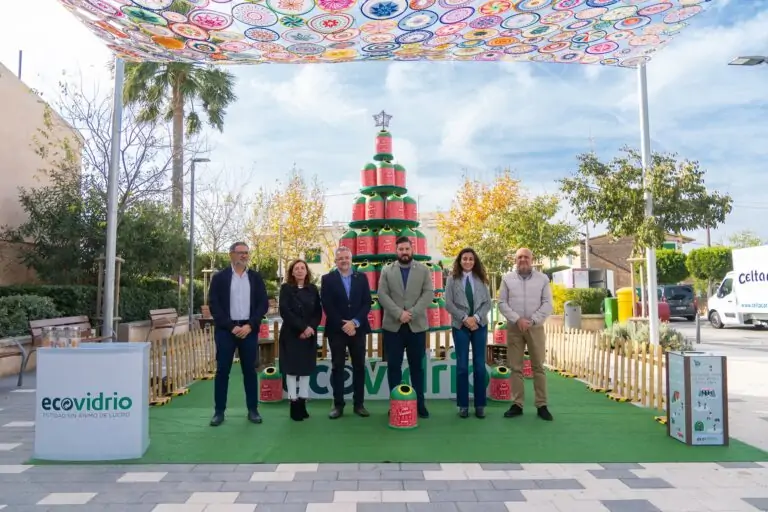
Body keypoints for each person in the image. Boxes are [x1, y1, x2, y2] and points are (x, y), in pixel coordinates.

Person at [207, 242, 269, 427]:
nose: (244, 256)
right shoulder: (220, 278)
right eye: (240, 253)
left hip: (248, 331)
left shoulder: (255, 278)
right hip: (227, 331)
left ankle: (253, 410)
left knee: (250, 371)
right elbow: (214, 305)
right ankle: (219, 412)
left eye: (246, 253)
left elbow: (262, 304)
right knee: (222, 371)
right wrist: (231, 326)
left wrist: (250, 325)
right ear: (231, 255)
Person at [377, 236, 434, 418]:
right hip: (393, 327)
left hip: (416, 326)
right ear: (396, 251)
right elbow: (382, 294)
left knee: (417, 367)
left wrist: (411, 313)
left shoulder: (424, 270)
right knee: (394, 366)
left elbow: (428, 294)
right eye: (401, 249)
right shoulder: (387, 270)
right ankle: (395, 404)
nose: (404, 252)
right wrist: (398, 314)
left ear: (412, 250)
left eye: (407, 249)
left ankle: (419, 405)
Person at [498, 247, 554, 421]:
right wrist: (517, 319)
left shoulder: (542, 279)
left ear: (532, 259)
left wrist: (533, 320)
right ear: (515, 260)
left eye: (526, 257)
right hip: (515, 327)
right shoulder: (507, 279)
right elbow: (502, 303)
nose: (523, 260)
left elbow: (547, 304)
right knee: (515, 367)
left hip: (535, 327)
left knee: (538, 367)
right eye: (519, 257)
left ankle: (542, 405)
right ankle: (517, 404)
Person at [320, 246, 372, 419]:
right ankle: (338, 405)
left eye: (346, 258)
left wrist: (355, 322)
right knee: (337, 368)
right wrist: (343, 324)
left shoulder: (362, 278)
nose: (344, 261)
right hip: (337, 330)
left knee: (359, 367)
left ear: (351, 260)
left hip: (357, 329)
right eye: (340, 258)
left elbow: (367, 303)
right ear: (335, 261)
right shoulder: (327, 279)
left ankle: (359, 404)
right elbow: (327, 304)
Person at [444, 248, 492, 419]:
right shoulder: (452, 279)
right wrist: (465, 318)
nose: (468, 262)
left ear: (475, 261)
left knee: (479, 366)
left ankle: (480, 405)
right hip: (460, 325)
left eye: (471, 259)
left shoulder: (481, 279)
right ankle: (463, 405)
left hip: (480, 325)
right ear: (459, 260)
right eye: (464, 259)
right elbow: (448, 303)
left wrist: (476, 318)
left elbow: (488, 303)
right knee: (462, 366)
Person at [279, 259, 322, 421]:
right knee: (291, 371)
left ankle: (303, 402)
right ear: (291, 272)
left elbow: (318, 311)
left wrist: (310, 328)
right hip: (291, 335)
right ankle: (293, 403)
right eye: (296, 268)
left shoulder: (312, 289)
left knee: (305, 370)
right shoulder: (286, 289)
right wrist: (302, 328)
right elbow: (285, 310)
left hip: (309, 335)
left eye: (302, 268)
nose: (299, 270)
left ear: (306, 271)